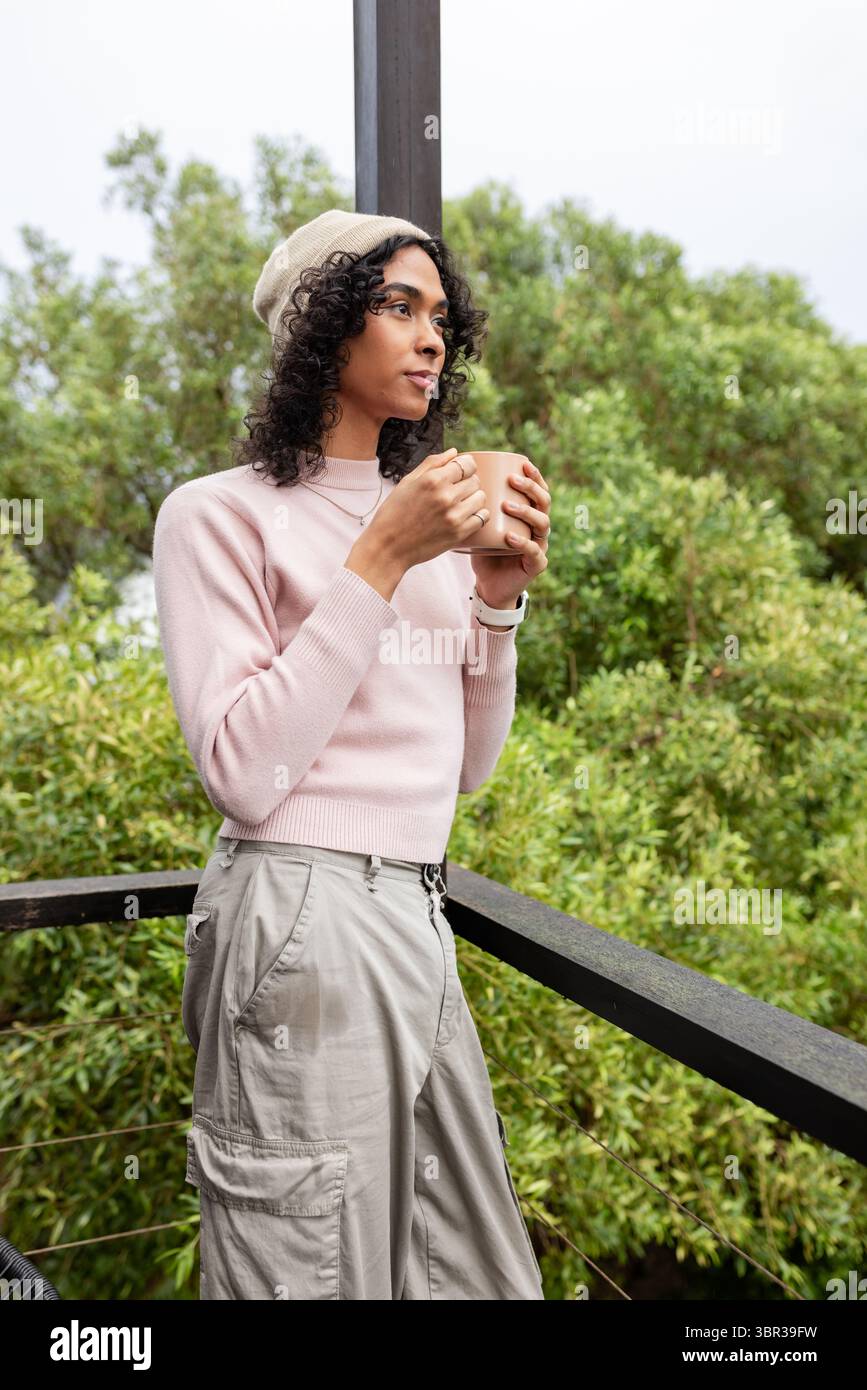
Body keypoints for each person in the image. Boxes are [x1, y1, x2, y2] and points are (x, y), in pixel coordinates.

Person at [152, 209, 551, 1300]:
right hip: (299, 915)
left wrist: (498, 606)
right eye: (397, 308)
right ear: (321, 329)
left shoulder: (422, 527)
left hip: (412, 917)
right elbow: (241, 767)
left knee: (464, 1270)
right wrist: (379, 559)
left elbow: (465, 769)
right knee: (310, 1270)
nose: (432, 338)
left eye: (441, 317)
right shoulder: (216, 518)